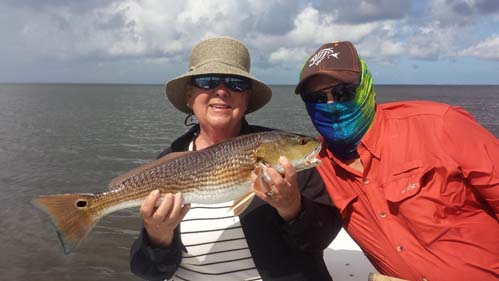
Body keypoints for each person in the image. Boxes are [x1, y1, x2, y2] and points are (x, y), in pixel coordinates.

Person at [129, 36, 342, 281]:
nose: (221, 91)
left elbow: (321, 238)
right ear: (189, 95)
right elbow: (148, 271)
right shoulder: (168, 163)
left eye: (236, 83)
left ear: (247, 98)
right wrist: (158, 235)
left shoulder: (286, 157)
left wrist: (292, 208)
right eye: (206, 81)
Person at [294, 41, 499, 281]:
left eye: (342, 93)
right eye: (317, 97)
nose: (331, 104)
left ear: (366, 87)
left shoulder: (441, 124)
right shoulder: (316, 160)